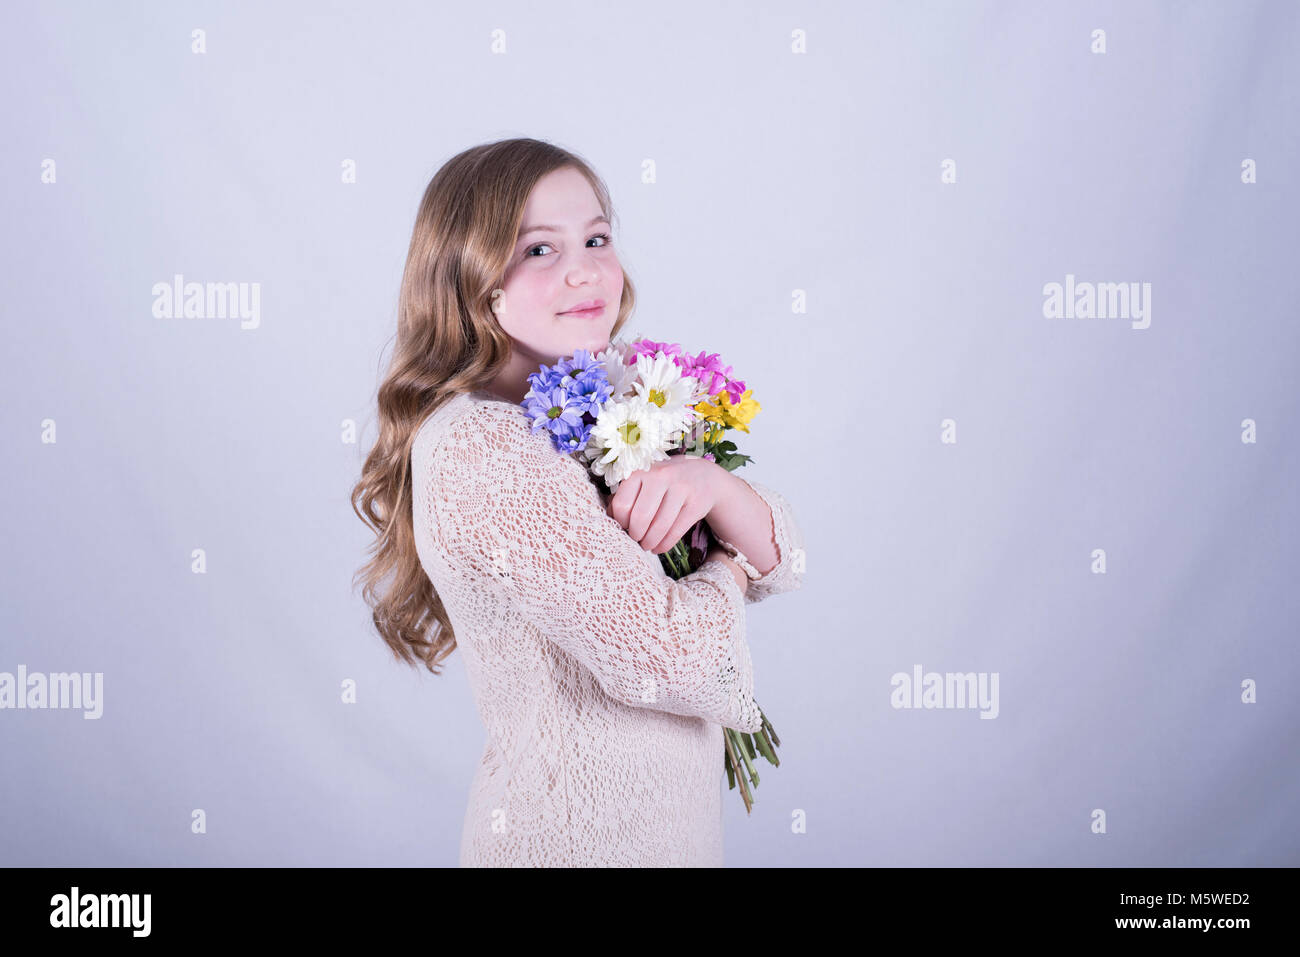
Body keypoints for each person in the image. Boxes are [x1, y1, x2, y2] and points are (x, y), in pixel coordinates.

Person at [351, 137, 806, 867]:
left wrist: (712, 483)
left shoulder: (599, 399)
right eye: (539, 249)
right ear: (471, 278)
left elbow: (787, 556)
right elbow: (684, 663)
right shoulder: (484, 449)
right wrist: (731, 564)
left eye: (597, 237)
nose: (586, 268)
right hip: (576, 845)